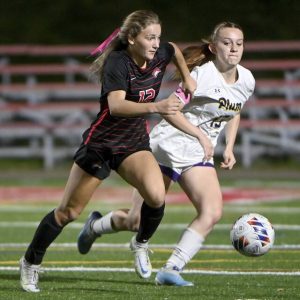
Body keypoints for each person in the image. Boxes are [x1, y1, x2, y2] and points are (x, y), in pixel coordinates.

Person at [19, 10, 197, 293]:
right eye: (149, 37)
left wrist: (187, 77)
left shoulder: (160, 52)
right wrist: (157, 106)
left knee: (156, 195)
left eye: (157, 37)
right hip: (100, 145)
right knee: (68, 213)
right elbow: (116, 106)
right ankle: (30, 263)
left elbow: (173, 49)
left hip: (133, 144)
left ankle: (139, 244)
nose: (156, 43)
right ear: (131, 39)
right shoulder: (118, 62)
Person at [77, 21, 255, 286]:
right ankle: (95, 226)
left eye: (238, 43)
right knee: (137, 221)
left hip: (197, 155)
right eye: (227, 43)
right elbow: (169, 111)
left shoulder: (247, 79)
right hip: (165, 148)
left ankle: (171, 268)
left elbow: (234, 108)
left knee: (212, 212)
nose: (233, 49)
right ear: (213, 47)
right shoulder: (203, 76)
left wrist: (229, 146)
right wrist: (200, 135)